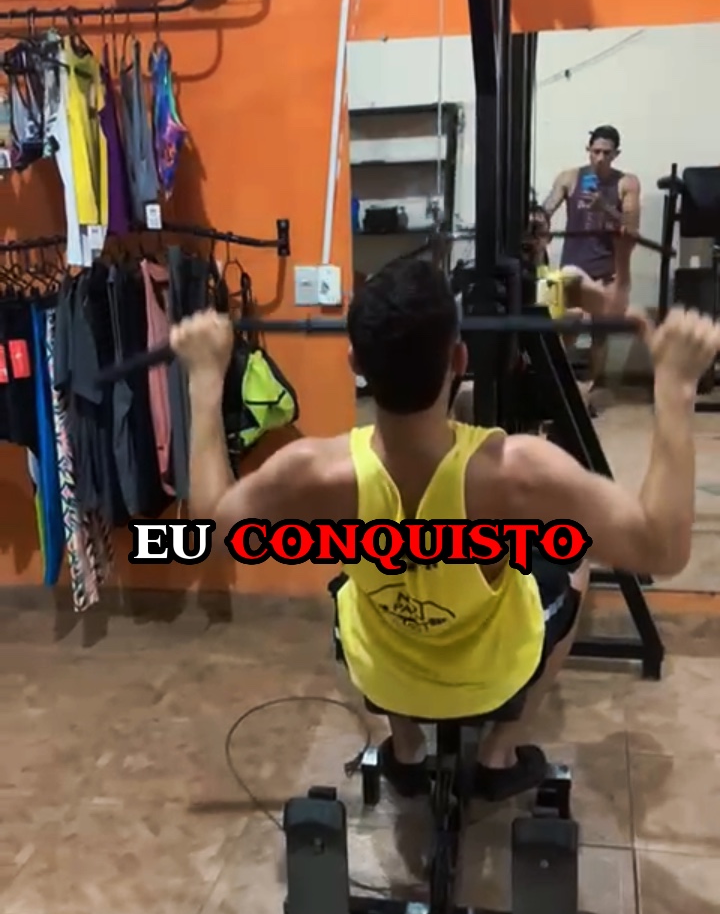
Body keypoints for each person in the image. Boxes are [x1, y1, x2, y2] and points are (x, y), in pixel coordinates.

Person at [171, 260, 716, 802]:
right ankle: (501, 750)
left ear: (355, 362)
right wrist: (675, 389)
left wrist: (204, 380)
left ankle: (406, 747)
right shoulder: (519, 470)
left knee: (349, 578)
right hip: (492, 678)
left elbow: (207, 535)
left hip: (386, 676)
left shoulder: (314, 471)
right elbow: (661, 550)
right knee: (576, 559)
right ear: (460, 358)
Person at [539, 126, 641, 404]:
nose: (600, 158)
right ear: (588, 150)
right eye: (596, 152)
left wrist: (604, 208)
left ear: (616, 154)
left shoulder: (626, 183)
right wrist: (539, 222)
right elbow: (546, 209)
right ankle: (557, 389)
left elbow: (632, 229)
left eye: (606, 153)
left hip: (607, 269)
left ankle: (593, 394)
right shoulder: (570, 178)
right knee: (565, 327)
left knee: (600, 333)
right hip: (573, 266)